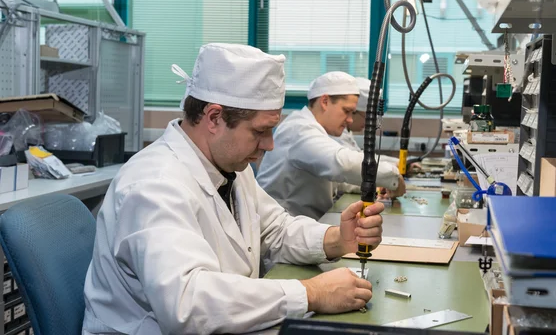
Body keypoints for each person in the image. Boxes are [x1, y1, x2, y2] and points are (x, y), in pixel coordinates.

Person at [82, 44, 386, 335]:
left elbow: (275, 229)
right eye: (259, 131)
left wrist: (338, 238)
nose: (270, 144)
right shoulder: (154, 185)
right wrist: (310, 293)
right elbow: (186, 304)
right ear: (214, 117)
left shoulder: (229, 167)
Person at [256, 71, 405, 220]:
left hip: (303, 225)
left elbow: (335, 182)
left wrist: (375, 184)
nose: (350, 120)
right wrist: (393, 177)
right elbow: (341, 165)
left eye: (353, 113)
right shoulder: (299, 130)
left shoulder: (317, 130)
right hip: (284, 232)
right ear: (325, 102)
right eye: (346, 111)